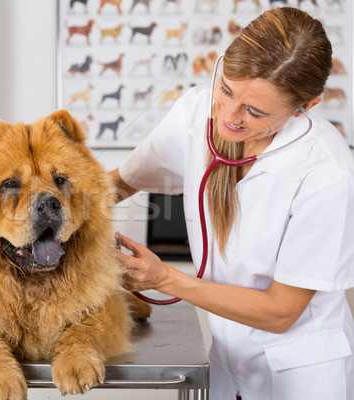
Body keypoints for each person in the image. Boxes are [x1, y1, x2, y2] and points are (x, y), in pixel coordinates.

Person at [110, 7, 354, 400]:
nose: (228, 116)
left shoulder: (327, 172)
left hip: (302, 376)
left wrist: (165, 278)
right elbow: (117, 185)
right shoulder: (194, 113)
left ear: (305, 107)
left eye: (254, 112)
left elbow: (280, 311)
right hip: (227, 363)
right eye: (225, 89)